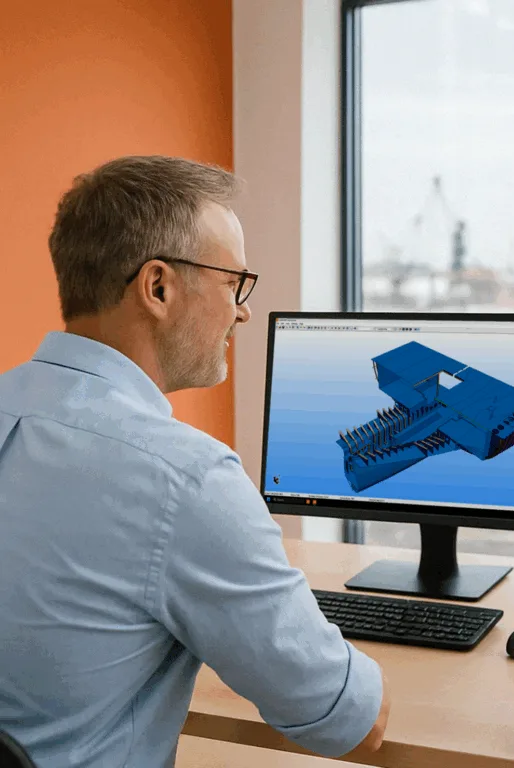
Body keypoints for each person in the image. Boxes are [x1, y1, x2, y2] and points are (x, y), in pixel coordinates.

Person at [0, 156, 390, 768]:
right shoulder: (183, 478)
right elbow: (349, 725)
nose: (243, 311)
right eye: (235, 283)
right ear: (158, 288)